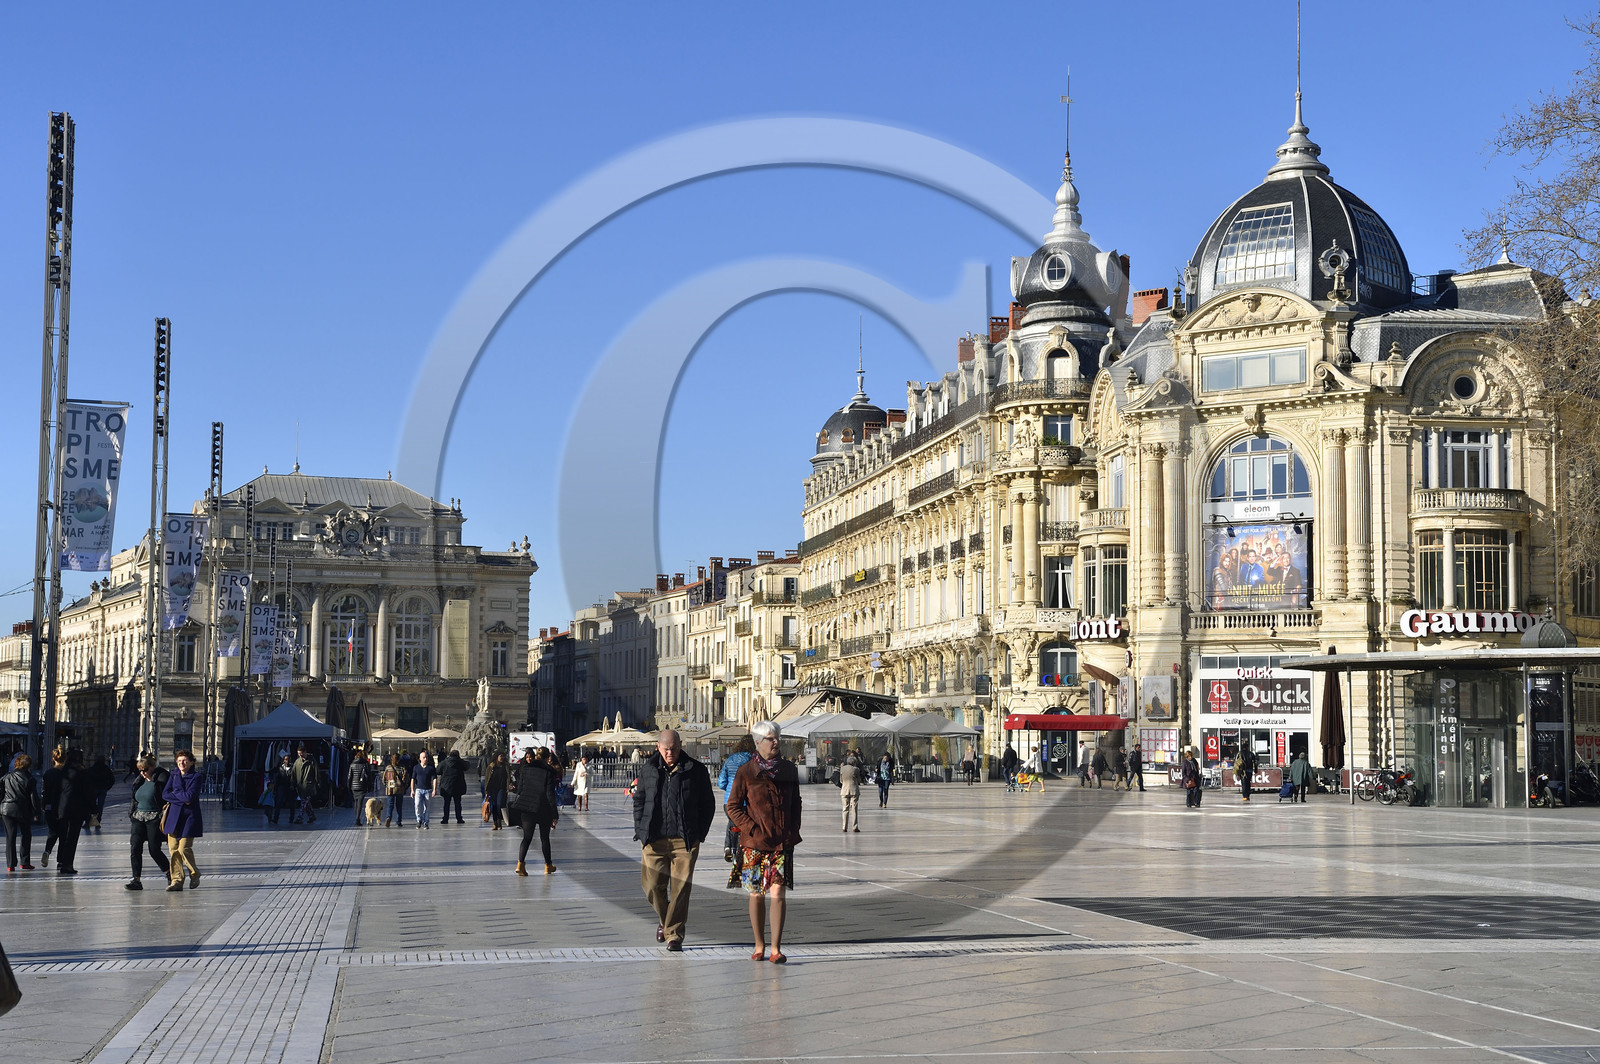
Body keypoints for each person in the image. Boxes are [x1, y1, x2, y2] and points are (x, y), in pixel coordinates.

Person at [632, 729, 716, 952]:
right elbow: (639, 800)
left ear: (681, 747)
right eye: (666, 749)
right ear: (658, 747)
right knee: (651, 886)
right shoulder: (649, 769)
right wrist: (640, 830)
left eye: (675, 749)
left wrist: (700, 833)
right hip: (653, 838)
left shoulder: (695, 770)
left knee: (680, 889)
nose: (670, 753)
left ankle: (674, 935)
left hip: (684, 839)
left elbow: (708, 803)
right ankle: (666, 920)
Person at [725, 720, 802, 963]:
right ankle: (759, 945)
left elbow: (796, 802)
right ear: (758, 742)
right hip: (753, 845)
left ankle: (776, 948)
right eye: (770, 738)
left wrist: (793, 827)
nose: (776, 742)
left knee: (778, 892)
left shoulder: (788, 769)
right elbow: (733, 806)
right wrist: (751, 827)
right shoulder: (746, 771)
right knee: (756, 893)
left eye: (777, 737)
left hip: (781, 843)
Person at [510, 748, 560, 875]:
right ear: (547, 757)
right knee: (544, 838)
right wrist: (555, 814)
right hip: (543, 808)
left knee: (527, 838)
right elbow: (550, 794)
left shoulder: (526, 768)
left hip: (527, 807)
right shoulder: (549, 771)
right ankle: (548, 866)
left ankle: (520, 865)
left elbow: (520, 789)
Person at [42, 747, 90, 875]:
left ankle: (55, 856)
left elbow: (54, 792)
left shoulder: (61, 773)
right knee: (71, 838)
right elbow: (87, 793)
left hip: (61, 809)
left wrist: (51, 807)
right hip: (76, 810)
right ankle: (65, 863)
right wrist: (92, 810)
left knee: (62, 834)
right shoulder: (81, 772)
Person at [162, 749, 204, 892]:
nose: (182, 763)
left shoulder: (196, 777)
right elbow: (165, 794)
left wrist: (177, 794)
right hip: (173, 816)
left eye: (185, 760)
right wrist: (182, 797)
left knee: (183, 848)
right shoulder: (173, 775)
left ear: (192, 762)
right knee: (173, 850)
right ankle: (177, 880)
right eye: (179, 761)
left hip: (189, 818)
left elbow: (189, 797)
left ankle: (194, 873)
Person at [125, 757, 169, 890]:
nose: (142, 773)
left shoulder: (162, 778)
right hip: (139, 817)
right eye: (140, 770)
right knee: (135, 847)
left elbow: (165, 795)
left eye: (144, 769)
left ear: (152, 766)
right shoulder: (140, 780)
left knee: (154, 849)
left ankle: (169, 873)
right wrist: (132, 814)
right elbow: (134, 798)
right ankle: (136, 880)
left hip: (154, 817)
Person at [717, 735, 756, 862]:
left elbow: (721, 782)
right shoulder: (752, 760)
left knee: (733, 822)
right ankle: (739, 850)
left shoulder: (730, 760)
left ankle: (729, 847)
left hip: (728, 801)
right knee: (744, 826)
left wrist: (729, 790)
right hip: (746, 801)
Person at [1, 753, 37, 872]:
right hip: (23, 810)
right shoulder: (30, 779)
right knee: (26, 834)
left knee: (10, 837)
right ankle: (24, 862)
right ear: (29, 765)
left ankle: (11, 864)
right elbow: (34, 798)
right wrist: (37, 812)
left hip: (7, 809)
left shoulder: (7, 776)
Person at [291, 746, 320, 824]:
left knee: (303, 802)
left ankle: (300, 817)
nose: (300, 755)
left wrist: (318, 782)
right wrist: (292, 783)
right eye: (298, 754)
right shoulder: (297, 762)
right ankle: (312, 816)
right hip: (300, 786)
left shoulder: (312, 761)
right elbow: (293, 773)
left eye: (301, 753)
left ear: (305, 752)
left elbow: (316, 772)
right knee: (306, 803)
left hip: (308, 785)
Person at [410, 750, 438, 828]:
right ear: (420, 758)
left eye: (426, 757)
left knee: (427, 807)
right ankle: (419, 819)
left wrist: (434, 789)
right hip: (418, 789)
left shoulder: (431, 768)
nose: (425, 759)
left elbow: (434, 778)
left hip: (427, 790)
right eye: (424, 757)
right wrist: (412, 790)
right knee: (417, 805)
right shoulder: (416, 768)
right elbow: (413, 779)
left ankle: (426, 822)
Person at [87, 755, 115, 834]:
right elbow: (112, 779)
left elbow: (87, 779)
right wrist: (107, 787)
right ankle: (98, 822)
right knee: (100, 806)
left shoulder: (92, 769)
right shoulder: (106, 769)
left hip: (94, 790)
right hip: (103, 789)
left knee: (91, 805)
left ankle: (88, 821)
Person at [438, 751, 468, 825]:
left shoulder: (444, 762)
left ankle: (445, 819)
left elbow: (438, 771)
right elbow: (467, 766)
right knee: (457, 803)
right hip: (458, 786)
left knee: (446, 804)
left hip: (446, 786)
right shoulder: (460, 762)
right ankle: (459, 818)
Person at [838, 752, 863, 832]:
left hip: (844, 790)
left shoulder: (842, 769)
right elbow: (859, 780)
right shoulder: (856, 769)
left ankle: (844, 827)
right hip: (854, 790)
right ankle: (854, 826)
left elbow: (841, 780)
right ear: (854, 763)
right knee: (854, 809)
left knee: (845, 809)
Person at [382, 753, 408, 827]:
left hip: (390, 789)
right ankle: (398, 821)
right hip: (399, 789)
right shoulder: (402, 768)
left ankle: (388, 817)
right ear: (399, 759)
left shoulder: (388, 768)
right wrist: (405, 786)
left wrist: (386, 785)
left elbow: (384, 779)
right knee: (399, 806)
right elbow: (405, 778)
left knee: (390, 805)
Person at [349, 753, 374, 825]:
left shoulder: (352, 764)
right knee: (360, 802)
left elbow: (349, 776)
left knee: (356, 802)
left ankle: (357, 816)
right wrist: (370, 786)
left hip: (353, 786)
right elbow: (369, 776)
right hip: (362, 785)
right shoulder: (365, 764)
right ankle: (357, 818)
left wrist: (349, 785)